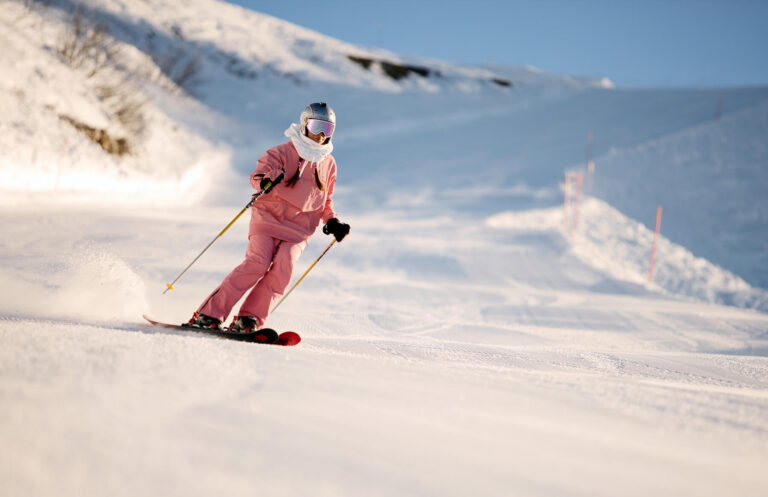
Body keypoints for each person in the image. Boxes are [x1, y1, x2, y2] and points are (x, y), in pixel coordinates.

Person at [187, 102, 350, 338]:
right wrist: (265, 181)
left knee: (284, 269)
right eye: (317, 126)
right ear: (305, 125)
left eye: (328, 129)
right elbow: (257, 177)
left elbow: (325, 200)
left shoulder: (328, 163)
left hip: (299, 230)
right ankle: (208, 315)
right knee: (257, 263)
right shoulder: (282, 152)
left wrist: (332, 221)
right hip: (268, 219)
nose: (322, 134)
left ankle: (249, 319)